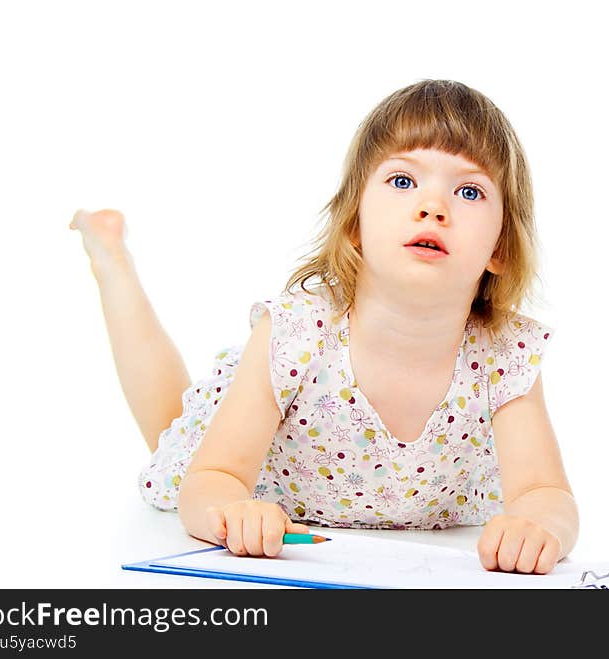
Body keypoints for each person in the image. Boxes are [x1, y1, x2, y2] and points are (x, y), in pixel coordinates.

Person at [70, 79, 579, 575]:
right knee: (168, 426)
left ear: (500, 249)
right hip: (267, 475)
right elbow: (211, 477)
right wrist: (231, 510)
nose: (434, 207)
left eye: (469, 191)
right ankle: (112, 261)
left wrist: (540, 528)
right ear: (354, 223)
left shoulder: (505, 354)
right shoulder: (298, 332)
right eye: (403, 181)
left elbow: (546, 493)